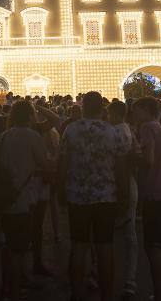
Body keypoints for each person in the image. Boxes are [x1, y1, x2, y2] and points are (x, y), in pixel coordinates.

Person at [59, 91, 126, 301]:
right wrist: (123, 195)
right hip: (106, 196)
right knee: (105, 247)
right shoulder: (112, 132)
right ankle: (107, 295)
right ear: (102, 108)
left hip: (77, 196)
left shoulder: (70, 130)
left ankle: (76, 293)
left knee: (78, 247)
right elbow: (121, 166)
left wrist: (61, 190)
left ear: (83, 107)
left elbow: (63, 163)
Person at [0, 100, 48, 301]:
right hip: (24, 200)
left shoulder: (6, 135)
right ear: (29, 116)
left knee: (9, 246)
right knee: (20, 249)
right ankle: (17, 291)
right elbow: (45, 165)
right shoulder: (33, 136)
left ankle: (6, 288)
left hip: (7, 198)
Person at [132, 96, 161, 301]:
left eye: (137, 110)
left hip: (153, 192)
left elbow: (147, 160)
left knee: (153, 247)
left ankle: (159, 294)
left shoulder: (147, 128)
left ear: (147, 110)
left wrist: (131, 154)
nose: (133, 115)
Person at [107, 100, 139, 299]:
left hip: (117, 184)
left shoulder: (114, 131)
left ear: (115, 114)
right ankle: (130, 279)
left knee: (108, 234)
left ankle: (106, 275)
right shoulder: (128, 130)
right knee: (130, 233)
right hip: (128, 182)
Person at [31, 103, 60, 277]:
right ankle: (36, 261)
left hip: (22, 185)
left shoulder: (8, 132)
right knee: (37, 224)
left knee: (26, 223)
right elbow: (55, 119)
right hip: (39, 179)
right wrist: (38, 106)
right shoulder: (37, 130)